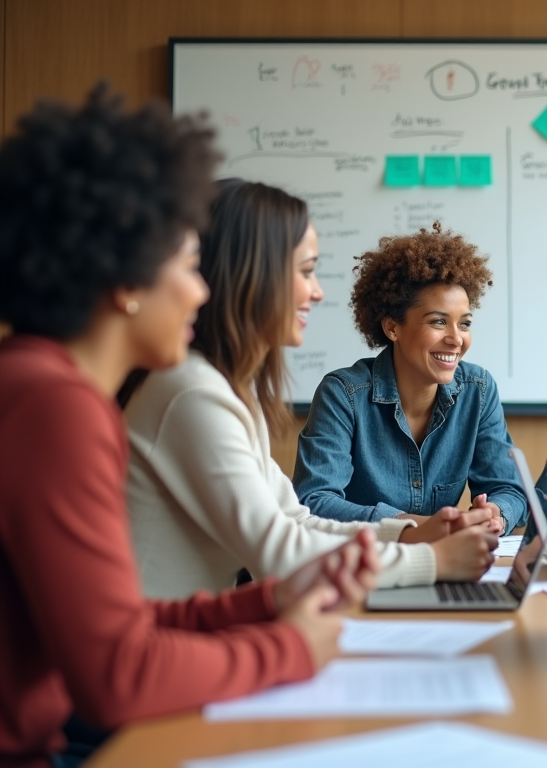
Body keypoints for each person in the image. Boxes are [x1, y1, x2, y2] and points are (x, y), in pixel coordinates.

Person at [0, 85, 379, 768]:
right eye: (186, 267)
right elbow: (117, 676)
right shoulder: (56, 408)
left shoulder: (34, 384)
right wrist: (289, 647)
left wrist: (267, 602)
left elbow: (118, 624)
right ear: (127, 282)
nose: (203, 292)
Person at [123, 180, 497, 600]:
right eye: (305, 271)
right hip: (162, 645)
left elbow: (293, 520)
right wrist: (432, 561)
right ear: (252, 274)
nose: (317, 292)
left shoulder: (223, 388)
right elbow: (279, 553)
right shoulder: (193, 393)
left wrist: (411, 535)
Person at [293, 224, 528, 535]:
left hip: (441, 561)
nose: (456, 339)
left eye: (465, 323)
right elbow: (314, 501)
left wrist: (495, 514)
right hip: (362, 565)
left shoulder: (478, 391)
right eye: (438, 322)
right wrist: (420, 527)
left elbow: (511, 491)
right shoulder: (343, 394)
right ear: (393, 328)